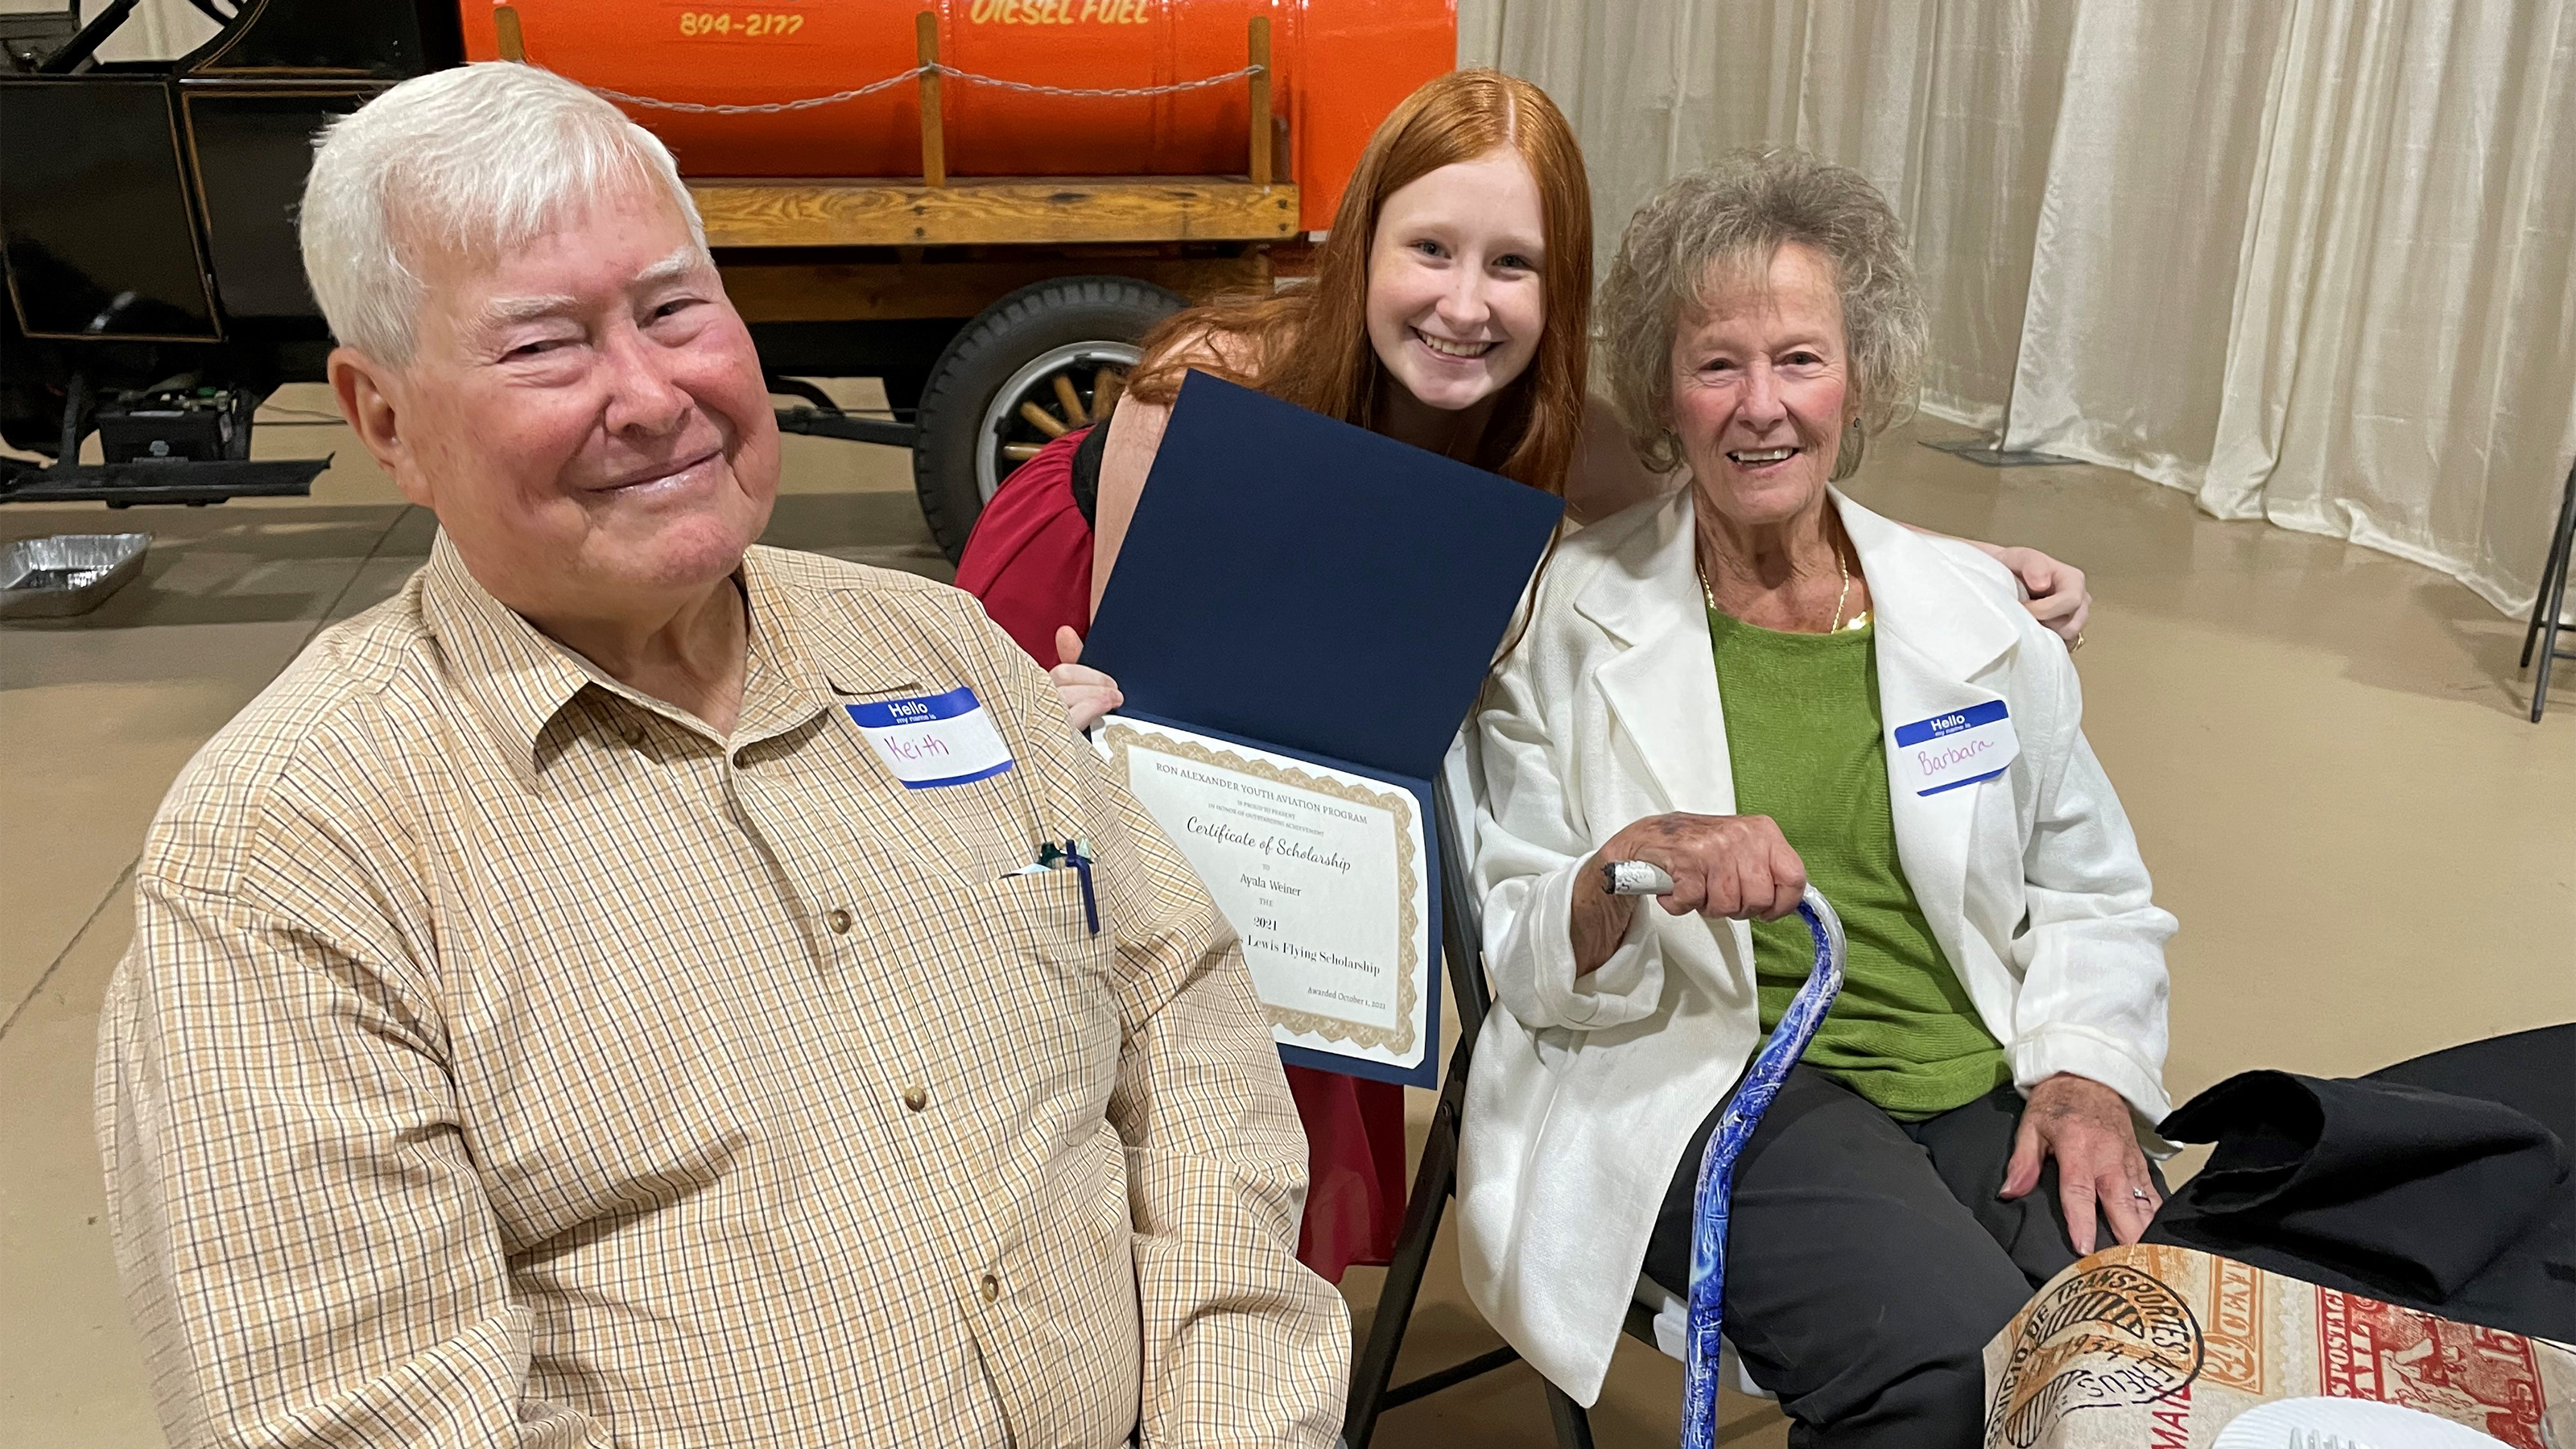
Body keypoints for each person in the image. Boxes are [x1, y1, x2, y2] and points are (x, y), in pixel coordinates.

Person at [94, 63, 1344, 1449]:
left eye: (676, 308)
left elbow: (1184, 1020)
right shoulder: (291, 852)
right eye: (543, 347)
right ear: (385, 418)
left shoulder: (937, 647)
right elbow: (349, 1414)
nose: (649, 395)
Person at [959, 69, 2103, 1287]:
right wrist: (1084, 716)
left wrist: (1946, 569)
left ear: (1560, 292)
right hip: (1084, 621)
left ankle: (1245, 1297)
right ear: (1362, 249)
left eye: (1513, 266)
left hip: (1331, 680)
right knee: (1099, 957)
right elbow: (1144, 680)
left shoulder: (1571, 442)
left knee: (1315, 960)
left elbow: (1740, 496)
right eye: (1431, 250)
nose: (1465, 304)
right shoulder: (1209, 375)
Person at [1454, 148, 2177, 1448]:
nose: (1759, 407)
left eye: (1799, 358)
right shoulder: (1564, 619)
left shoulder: (1977, 615)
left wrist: (2085, 1071)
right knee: (1950, 1374)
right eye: (1715, 362)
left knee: (2151, 1354)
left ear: (1864, 376)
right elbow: (1516, 941)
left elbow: (2093, 886)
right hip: (1713, 1077)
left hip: (1973, 1072)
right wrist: (1621, 866)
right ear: (1664, 395)